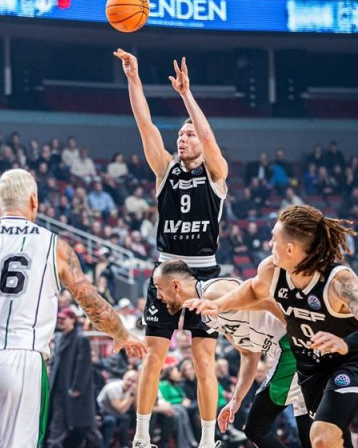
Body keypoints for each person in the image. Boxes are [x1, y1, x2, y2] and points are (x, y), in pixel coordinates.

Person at [0, 168, 145, 448]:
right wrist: (120, 333)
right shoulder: (52, 245)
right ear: (34, 200)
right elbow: (90, 301)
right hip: (20, 360)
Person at [186, 205, 358, 448]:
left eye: (274, 240)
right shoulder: (271, 271)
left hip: (350, 361)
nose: (269, 244)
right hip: (310, 368)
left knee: (321, 438)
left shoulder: (338, 280)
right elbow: (252, 290)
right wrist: (218, 305)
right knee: (333, 440)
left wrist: (345, 343)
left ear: (290, 249)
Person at [114, 49, 228, 448]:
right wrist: (134, 78)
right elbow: (144, 125)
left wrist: (186, 96)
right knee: (153, 356)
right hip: (166, 272)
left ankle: (208, 440)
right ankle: (142, 437)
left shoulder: (216, 174)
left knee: (203, 361)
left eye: (189, 133)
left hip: (203, 275)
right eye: (180, 134)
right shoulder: (165, 170)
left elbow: (210, 136)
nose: (183, 137)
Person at [153, 260, 311, 448]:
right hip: (287, 352)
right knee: (309, 428)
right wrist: (236, 400)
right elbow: (248, 353)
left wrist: (300, 334)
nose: (158, 296)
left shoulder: (215, 291)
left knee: (255, 428)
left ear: (176, 285)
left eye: (158, 288)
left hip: (291, 348)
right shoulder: (207, 315)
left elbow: (268, 300)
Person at [47, 308, 103, 448]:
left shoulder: (81, 338)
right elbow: (55, 363)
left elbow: (84, 366)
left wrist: (77, 387)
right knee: (56, 430)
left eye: (63, 318)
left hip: (76, 392)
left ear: (73, 319)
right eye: (59, 319)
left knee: (88, 429)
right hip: (60, 390)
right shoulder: (60, 338)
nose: (60, 321)